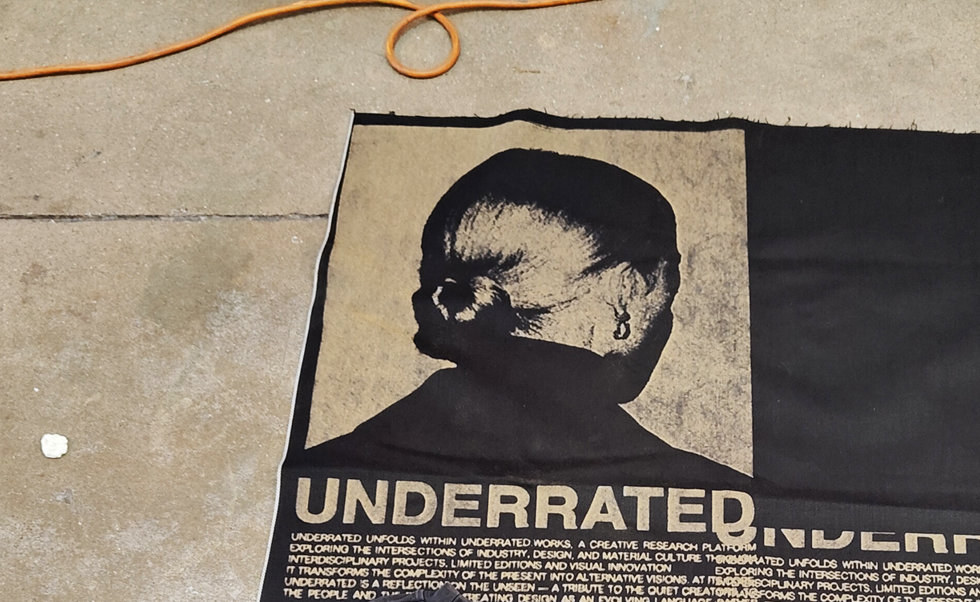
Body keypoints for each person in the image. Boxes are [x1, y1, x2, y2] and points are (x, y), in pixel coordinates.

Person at [300, 148, 750, 487]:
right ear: (626, 295)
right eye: (667, 291)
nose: (666, 318)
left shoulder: (323, 473)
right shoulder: (719, 499)